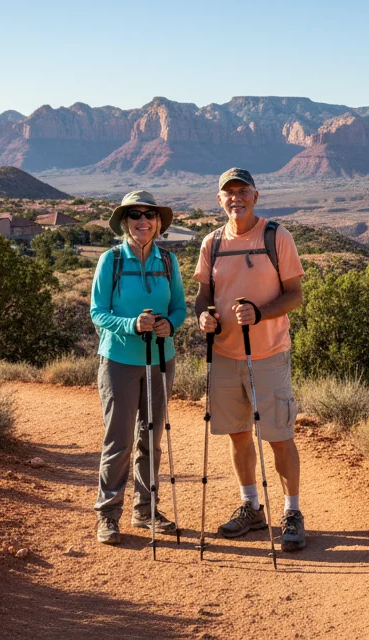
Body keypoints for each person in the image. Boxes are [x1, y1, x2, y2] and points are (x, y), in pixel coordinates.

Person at [194, 168, 308, 552]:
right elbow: (203, 294)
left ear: (256, 196)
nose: (236, 198)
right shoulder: (211, 242)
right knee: (238, 434)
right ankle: (251, 507)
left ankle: (291, 511)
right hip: (225, 354)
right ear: (219, 199)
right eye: (229, 193)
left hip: (269, 355)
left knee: (278, 436)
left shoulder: (277, 236)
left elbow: (295, 295)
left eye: (243, 192)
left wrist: (260, 314)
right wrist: (203, 316)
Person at [89, 190, 187, 545]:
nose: (142, 221)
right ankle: (108, 514)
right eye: (135, 215)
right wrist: (132, 325)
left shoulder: (168, 261)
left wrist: (169, 326)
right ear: (125, 222)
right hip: (119, 360)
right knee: (118, 440)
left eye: (149, 215)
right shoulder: (111, 260)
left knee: (151, 437)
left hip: (161, 358)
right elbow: (97, 312)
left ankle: (145, 509)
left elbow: (179, 307)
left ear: (158, 223)